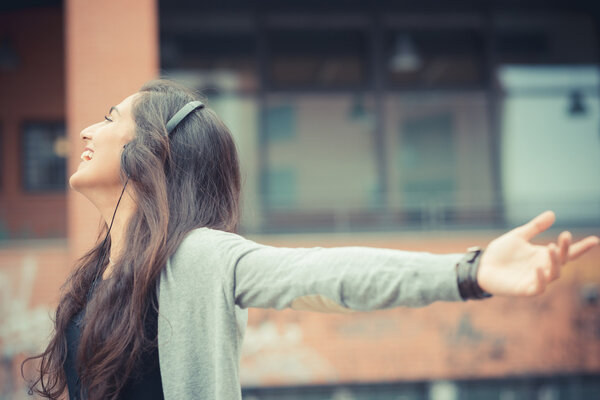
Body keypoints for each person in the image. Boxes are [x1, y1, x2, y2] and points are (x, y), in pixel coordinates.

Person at [22, 79, 599, 400]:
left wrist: (468, 271)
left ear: (154, 150)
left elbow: (323, 273)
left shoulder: (195, 257)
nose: (85, 130)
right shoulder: (99, 273)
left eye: (109, 117)